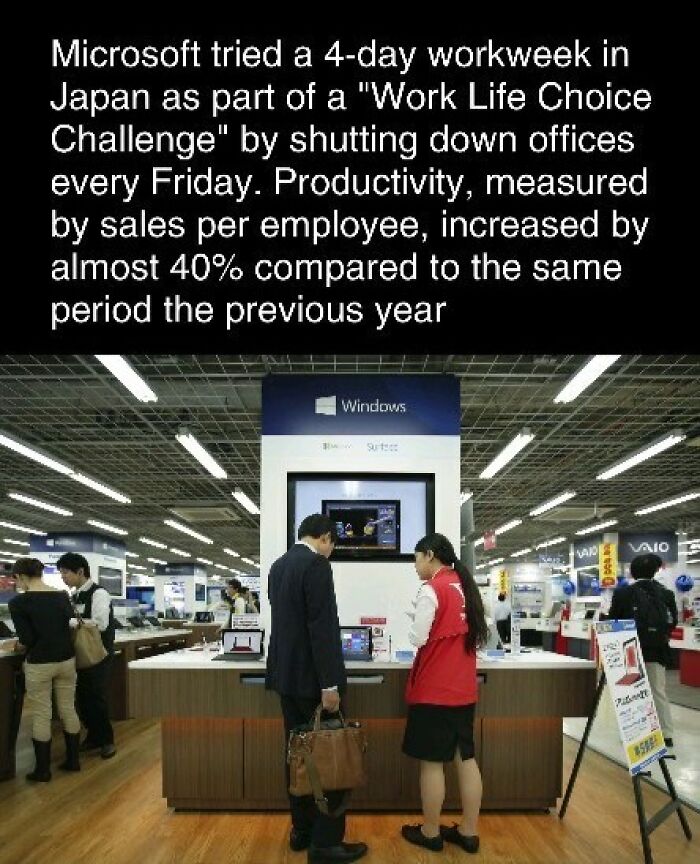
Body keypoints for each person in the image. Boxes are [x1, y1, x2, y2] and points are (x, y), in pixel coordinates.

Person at [266, 513, 368, 864]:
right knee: (329, 757)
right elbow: (322, 629)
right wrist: (329, 684)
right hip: (313, 682)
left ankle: (302, 830)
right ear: (324, 538)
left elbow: (283, 624)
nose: (331, 550)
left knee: (297, 755)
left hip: (286, 679)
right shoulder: (317, 566)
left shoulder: (278, 567)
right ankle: (326, 843)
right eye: (332, 544)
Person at [401, 533, 488, 854]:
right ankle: (468, 831)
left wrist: (412, 622)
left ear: (429, 555)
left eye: (416, 558)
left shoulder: (432, 589)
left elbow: (417, 637)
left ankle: (431, 831)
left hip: (434, 690)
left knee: (432, 764)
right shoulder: (464, 585)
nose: (415, 566)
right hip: (463, 689)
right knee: (465, 758)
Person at [8, 557, 81, 781]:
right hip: (67, 660)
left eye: (16, 580)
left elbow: (27, 639)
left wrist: (15, 645)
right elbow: (70, 625)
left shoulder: (19, 603)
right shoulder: (61, 595)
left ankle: (42, 770)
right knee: (68, 708)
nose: (16, 585)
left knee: (41, 713)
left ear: (21, 576)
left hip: (40, 663)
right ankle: (73, 761)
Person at [606, 553, 678, 746]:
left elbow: (614, 621)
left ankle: (634, 732)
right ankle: (666, 734)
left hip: (630, 649)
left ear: (633, 572)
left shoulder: (622, 594)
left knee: (631, 692)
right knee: (658, 691)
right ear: (655, 571)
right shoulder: (666, 593)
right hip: (657, 650)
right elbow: (673, 622)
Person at [58, 552, 117, 759]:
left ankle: (107, 740)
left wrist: (72, 622)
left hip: (98, 653)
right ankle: (93, 736)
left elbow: (101, 624)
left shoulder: (98, 593)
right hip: (81, 653)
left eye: (65, 572)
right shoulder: (74, 595)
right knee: (82, 697)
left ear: (80, 571)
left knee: (96, 696)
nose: (62, 577)